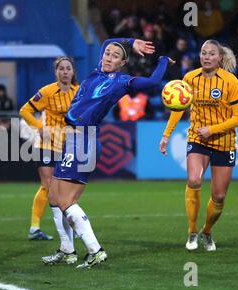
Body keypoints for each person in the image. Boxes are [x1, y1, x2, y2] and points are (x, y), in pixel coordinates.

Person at [42, 38, 174, 269]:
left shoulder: (123, 82)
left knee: (65, 200)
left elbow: (153, 81)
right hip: (74, 138)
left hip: (83, 139)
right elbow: (108, 41)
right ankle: (67, 249)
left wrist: (163, 60)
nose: (108, 57)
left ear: (122, 63)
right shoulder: (96, 72)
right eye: (107, 54)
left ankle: (95, 250)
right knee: (54, 194)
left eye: (115, 56)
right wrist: (132, 42)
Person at [159, 39, 238, 252]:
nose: (206, 57)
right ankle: (191, 230)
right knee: (194, 179)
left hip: (224, 142)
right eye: (203, 53)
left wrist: (213, 129)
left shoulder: (230, 81)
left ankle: (206, 231)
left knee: (219, 196)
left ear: (220, 58)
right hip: (197, 139)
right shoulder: (190, 78)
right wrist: (166, 135)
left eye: (211, 54)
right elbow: (178, 108)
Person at [19, 56, 79, 241]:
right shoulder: (47, 91)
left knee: (66, 188)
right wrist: (39, 127)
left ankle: (70, 225)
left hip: (68, 145)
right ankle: (36, 228)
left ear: (73, 71)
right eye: (61, 68)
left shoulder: (79, 91)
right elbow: (24, 110)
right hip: (46, 145)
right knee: (49, 185)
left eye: (68, 68)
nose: (65, 72)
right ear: (56, 72)